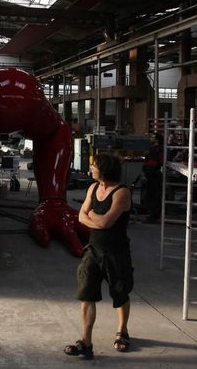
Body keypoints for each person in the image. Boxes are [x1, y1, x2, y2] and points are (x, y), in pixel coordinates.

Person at [64, 153, 133, 359]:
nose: (91, 168)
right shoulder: (93, 188)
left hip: (116, 253)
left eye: (94, 166)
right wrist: (94, 217)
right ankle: (86, 342)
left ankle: (122, 332)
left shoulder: (122, 193)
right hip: (93, 251)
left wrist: (91, 215)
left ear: (104, 170)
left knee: (120, 294)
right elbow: (80, 216)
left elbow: (104, 223)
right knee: (86, 295)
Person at [142, 132, 163, 223]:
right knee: (150, 195)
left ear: (157, 139)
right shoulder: (152, 149)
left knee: (153, 195)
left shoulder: (157, 149)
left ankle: (154, 215)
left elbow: (154, 163)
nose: (151, 138)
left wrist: (147, 172)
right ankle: (152, 214)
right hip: (150, 175)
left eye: (152, 137)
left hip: (154, 175)